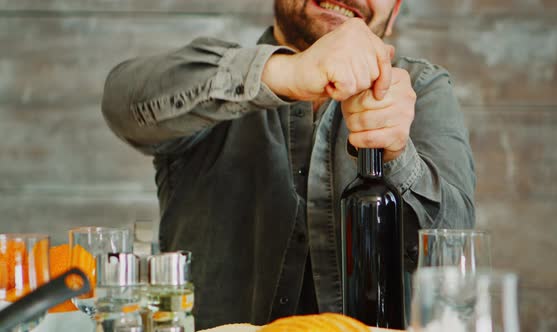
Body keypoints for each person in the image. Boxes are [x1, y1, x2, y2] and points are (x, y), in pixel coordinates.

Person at [101, 0, 475, 329]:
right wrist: (290, 74)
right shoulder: (206, 86)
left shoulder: (423, 88)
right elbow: (123, 101)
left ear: (393, 14)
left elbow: (455, 252)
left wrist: (397, 156)